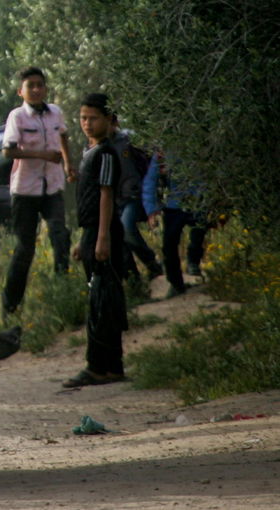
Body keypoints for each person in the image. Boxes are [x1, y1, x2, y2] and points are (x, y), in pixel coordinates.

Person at [63, 93, 128, 388]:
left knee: (101, 302)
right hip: (93, 232)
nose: (87, 123)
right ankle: (111, 366)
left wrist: (101, 239)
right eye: (83, 118)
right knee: (102, 299)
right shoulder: (92, 152)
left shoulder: (105, 154)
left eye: (93, 118)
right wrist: (85, 240)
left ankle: (99, 367)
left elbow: (106, 196)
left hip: (105, 232)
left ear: (109, 121)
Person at [0, 66, 74, 316]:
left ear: (45, 88)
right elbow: (8, 151)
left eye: (39, 84)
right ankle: (10, 306)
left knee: (60, 235)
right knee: (25, 249)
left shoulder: (55, 113)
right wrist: (40, 154)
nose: (35, 89)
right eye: (30, 85)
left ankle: (63, 292)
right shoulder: (18, 117)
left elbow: (63, 136)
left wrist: (68, 163)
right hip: (25, 189)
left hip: (52, 185)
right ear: (21, 91)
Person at [142, 151, 207, 298]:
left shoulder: (200, 144)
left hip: (198, 201)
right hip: (175, 204)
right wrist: (151, 210)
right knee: (169, 245)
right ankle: (176, 283)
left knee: (199, 232)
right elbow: (150, 181)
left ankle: (193, 262)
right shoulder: (163, 152)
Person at [110, 113, 161, 286]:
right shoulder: (92, 146)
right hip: (111, 200)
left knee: (127, 228)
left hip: (133, 195)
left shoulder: (127, 139)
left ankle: (152, 264)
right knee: (120, 238)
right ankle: (134, 281)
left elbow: (150, 155)